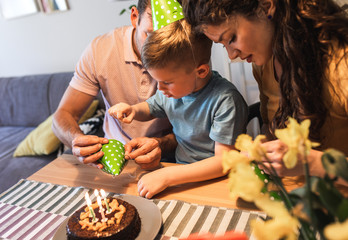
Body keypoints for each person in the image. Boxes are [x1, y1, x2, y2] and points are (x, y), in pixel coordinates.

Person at [181, 0, 348, 184]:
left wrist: (312, 163)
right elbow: (271, 126)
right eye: (222, 45)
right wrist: (263, 146)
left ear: (266, 7)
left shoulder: (341, 69)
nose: (231, 55)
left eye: (231, 38)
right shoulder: (264, 64)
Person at [108, 19, 248, 198]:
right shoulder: (171, 93)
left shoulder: (225, 100)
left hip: (218, 180)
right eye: (157, 81)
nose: (159, 88)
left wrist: (167, 176)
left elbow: (223, 162)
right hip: (180, 173)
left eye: (167, 82)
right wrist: (133, 110)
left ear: (201, 72)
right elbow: (150, 107)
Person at [52, 0, 177, 170]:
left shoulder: (187, 53)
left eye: (167, 41)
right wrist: (77, 142)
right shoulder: (99, 50)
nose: (158, 51)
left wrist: (160, 144)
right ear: (134, 17)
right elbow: (63, 115)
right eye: (150, 35)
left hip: (171, 157)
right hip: (113, 157)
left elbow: (196, 130)